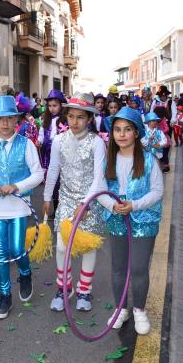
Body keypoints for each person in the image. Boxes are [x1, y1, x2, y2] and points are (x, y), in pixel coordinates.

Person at [0, 95, 45, 319]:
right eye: (1, 119)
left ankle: (25, 273)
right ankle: (5, 295)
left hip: (19, 207)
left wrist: (17, 185)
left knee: (16, 248)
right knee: (1, 252)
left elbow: (38, 173)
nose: (5, 123)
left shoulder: (26, 144)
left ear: (17, 120)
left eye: (10, 118)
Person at [96, 107, 164, 335]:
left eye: (127, 130)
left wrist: (134, 205)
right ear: (112, 133)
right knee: (118, 267)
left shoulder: (149, 160)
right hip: (116, 217)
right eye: (117, 130)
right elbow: (100, 189)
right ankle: (120, 309)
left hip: (143, 219)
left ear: (136, 133)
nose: (121, 134)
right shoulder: (108, 160)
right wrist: (111, 205)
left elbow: (157, 191)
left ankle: (139, 310)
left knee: (138, 267)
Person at [42, 92, 106, 313]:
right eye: (71, 116)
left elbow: (98, 177)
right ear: (66, 117)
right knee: (62, 247)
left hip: (90, 202)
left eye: (81, 117)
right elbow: (53, 170)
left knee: (88, 247)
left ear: (89, 119)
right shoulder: (59, 140)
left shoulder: (97, 143)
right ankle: (63, 288)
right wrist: (47, 197)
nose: (75, 122)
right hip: (67, 200)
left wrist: (86, 203)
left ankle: (84, 291)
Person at [38, 90, 66, 170]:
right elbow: (42, 132)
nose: (51, 108)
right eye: (49, 106)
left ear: (60, 105)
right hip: (46, 150)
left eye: (54, 106)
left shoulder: (64, 120)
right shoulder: (46, 119)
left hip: (59, 151)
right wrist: (40, 141)